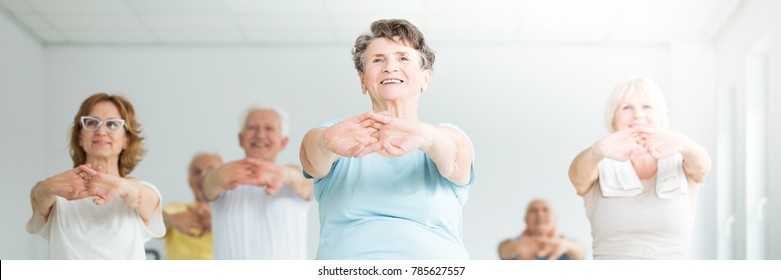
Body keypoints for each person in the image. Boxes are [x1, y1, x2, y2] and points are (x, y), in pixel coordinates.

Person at [300, 19, 475, 260]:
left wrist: (422, 136)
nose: (390, 67)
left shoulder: (444, 136)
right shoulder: (339, 136)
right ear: (362, 79)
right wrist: (325, 142)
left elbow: (457, 157)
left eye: (403, 58)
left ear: (426, 78)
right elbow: (311, 156)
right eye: (377, 60)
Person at [568, 77, 711, 259]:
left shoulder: (680, 160)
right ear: (612, 119)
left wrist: (684, 143)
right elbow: (576, 176)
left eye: (647, 107)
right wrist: (600, 148)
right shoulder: (600, 164)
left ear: (661, 117)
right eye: (626, 107)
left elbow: (703, 166)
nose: (638, 115)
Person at [26, 93, 164, 259]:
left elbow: (143, 198)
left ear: (126, 139)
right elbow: (37, 197)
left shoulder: (140, 192)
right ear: (79, 137)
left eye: (112, 124)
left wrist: (123, 186)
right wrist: (49, 186)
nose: (101, 131)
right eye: (91, 123)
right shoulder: (59, 193)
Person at [201, 104, 313, 260]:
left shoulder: (291, 179)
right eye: (252, 128)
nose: (260, 135)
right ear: (241, 139)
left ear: (283, 142)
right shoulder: (224, 180)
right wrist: (217, 175)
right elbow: (207, 185)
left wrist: (284, 174)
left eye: (269, 129)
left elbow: (305, 183)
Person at [162, 153, 222, 260]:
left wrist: (218, 221)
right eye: (197, 172)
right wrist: (173, 219)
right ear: (190, 182)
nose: (203, 177)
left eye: (210, 170)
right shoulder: (176, 209)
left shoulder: (236, 211)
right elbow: (152, 220)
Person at [498, 199, 584, 260]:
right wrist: (518, 247)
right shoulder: (516, 242)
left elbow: (579, 252)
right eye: (534, 211)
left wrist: (565, 245)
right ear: (526, 219)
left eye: (545, 210)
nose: (540, 214)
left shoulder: (565, 243)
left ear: (555, 218)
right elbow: (503, 251)